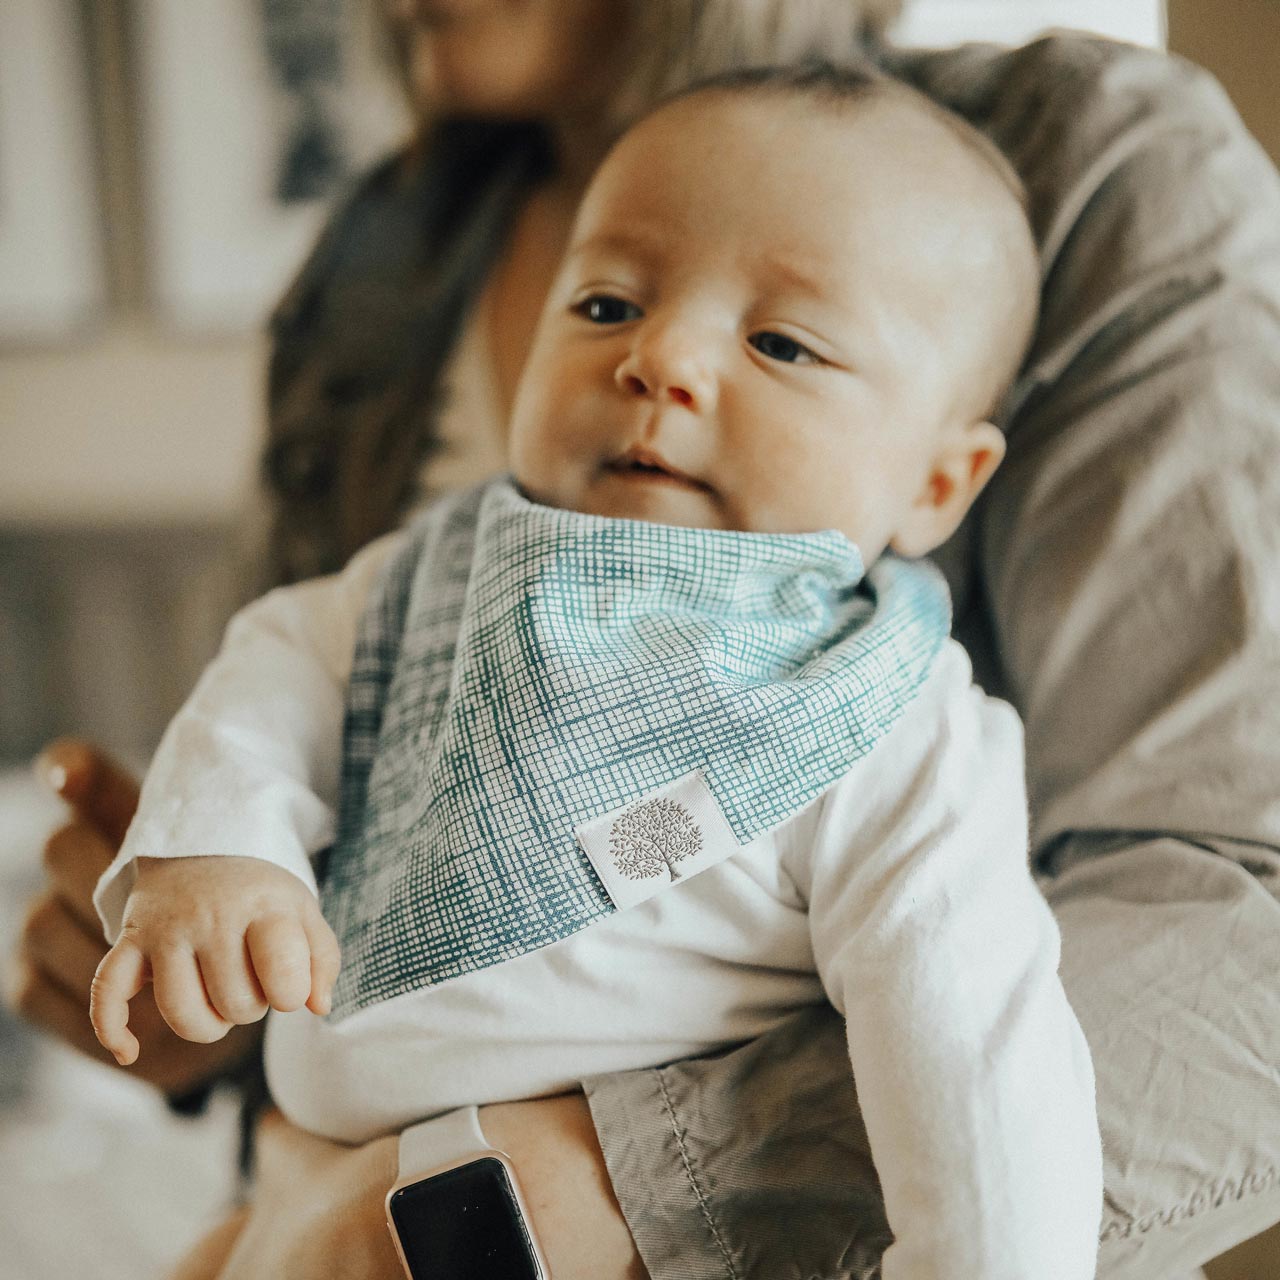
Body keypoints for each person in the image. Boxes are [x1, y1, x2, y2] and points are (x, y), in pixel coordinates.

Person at [12, 2, 1280, 1276]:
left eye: (780, 343)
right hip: (290, 1201)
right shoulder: (401, 378)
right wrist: (215, 877)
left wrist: (531, 1210)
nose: (660, 356)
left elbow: (977, 1051)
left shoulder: (878, 717)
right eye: (606, 302)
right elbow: (280, 665)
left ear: (940, 486)